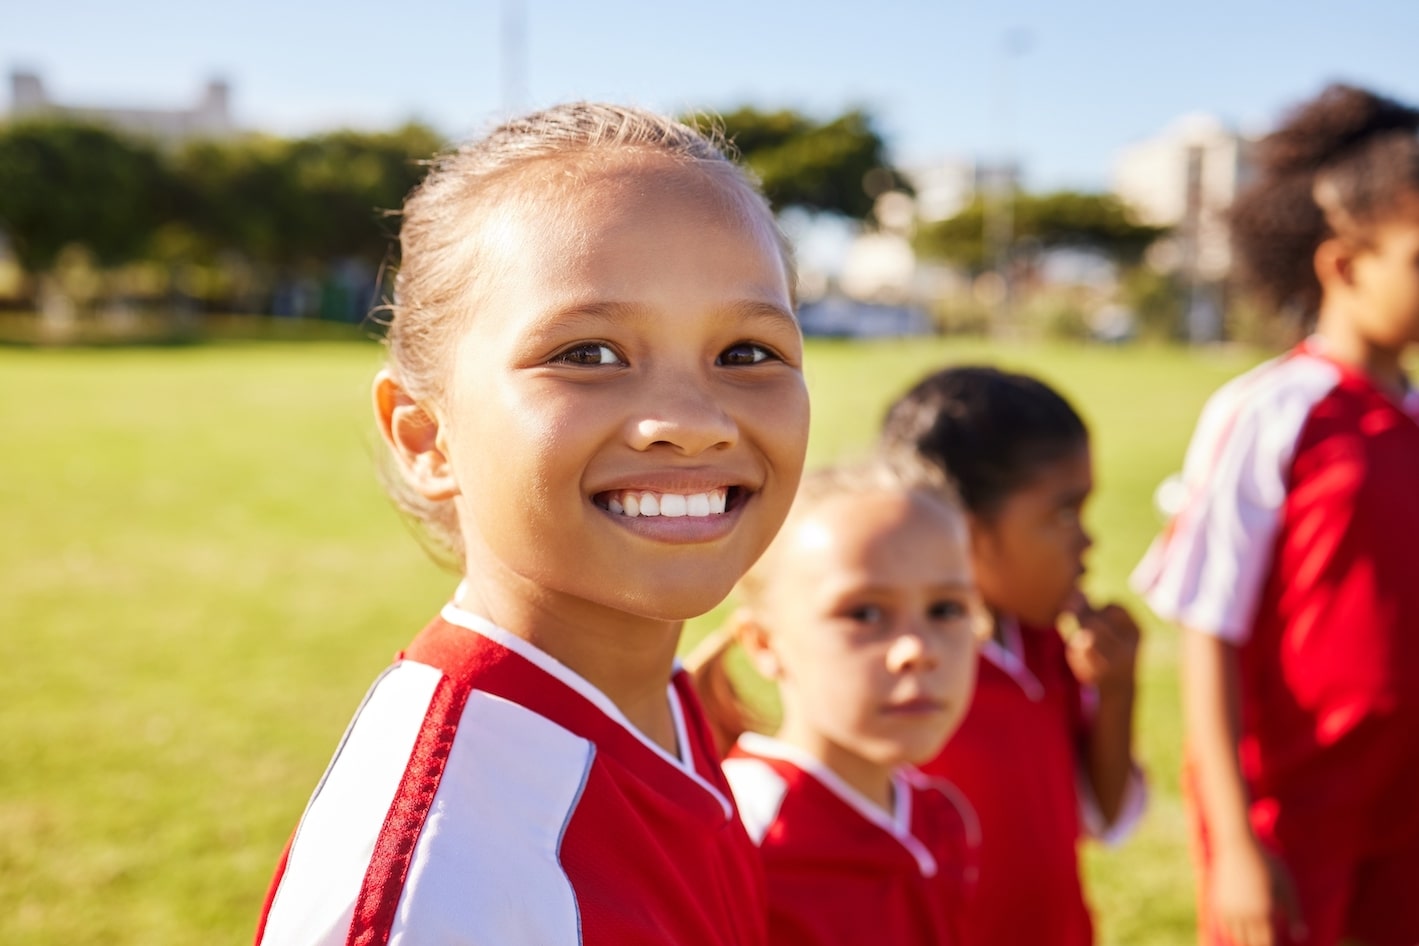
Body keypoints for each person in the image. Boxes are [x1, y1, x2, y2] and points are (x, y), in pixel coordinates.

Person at [253, 102, 811, 946]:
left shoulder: (652, 699)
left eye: (745, 352)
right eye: (587, 354)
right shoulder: (441, 892)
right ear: (425, 435)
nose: (692, 421)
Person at [1132, 83, 1419, 946]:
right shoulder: (1269, 413)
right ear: (1343, 264)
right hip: (1293, 818)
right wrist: (1237, 844)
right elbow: (1205, 632)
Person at [879, 365, 1147, 946]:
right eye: (1063, 514)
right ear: (966, 535)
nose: (1087, 541)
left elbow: (1107, 816)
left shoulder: (1046, 645)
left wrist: (1119, 688)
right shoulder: (903, 673)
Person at [689, 460, 984, 946]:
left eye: (946, 610)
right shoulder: (737, 833)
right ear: (764, 644)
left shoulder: (942, 816)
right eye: (865, 613)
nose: (918, 650)